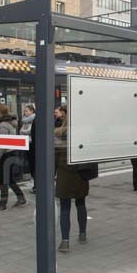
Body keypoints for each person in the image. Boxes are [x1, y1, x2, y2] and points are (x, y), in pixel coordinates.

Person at [54, 106, 89, 253]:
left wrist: (52, 173)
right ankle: (82, 234)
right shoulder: (85, 134)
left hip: (64, 173)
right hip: (81, 173)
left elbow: (54, 156)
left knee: (65, 207)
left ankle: (65, 242)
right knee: (81, 203)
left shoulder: (59, 133)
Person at [0, 104, 26, 211]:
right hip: (12, 152)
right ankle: (21, 198)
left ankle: (2, 204)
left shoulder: (2, 125)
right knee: (10, 179)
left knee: (3, 179)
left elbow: (2, 143)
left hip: (5, 155)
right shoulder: (11, 123)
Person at [20, 105, 36, 194]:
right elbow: (21, 131)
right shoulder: (25, 121)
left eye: (27, 111)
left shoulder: (34, 119)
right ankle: (34, 182)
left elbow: (29, 131)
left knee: (33, 164)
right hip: (26, 143)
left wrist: (22, 132)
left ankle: (36, 184)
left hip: (32, 144)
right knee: (30, 164)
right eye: (24, 111)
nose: (25, 113)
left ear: (32, 111)